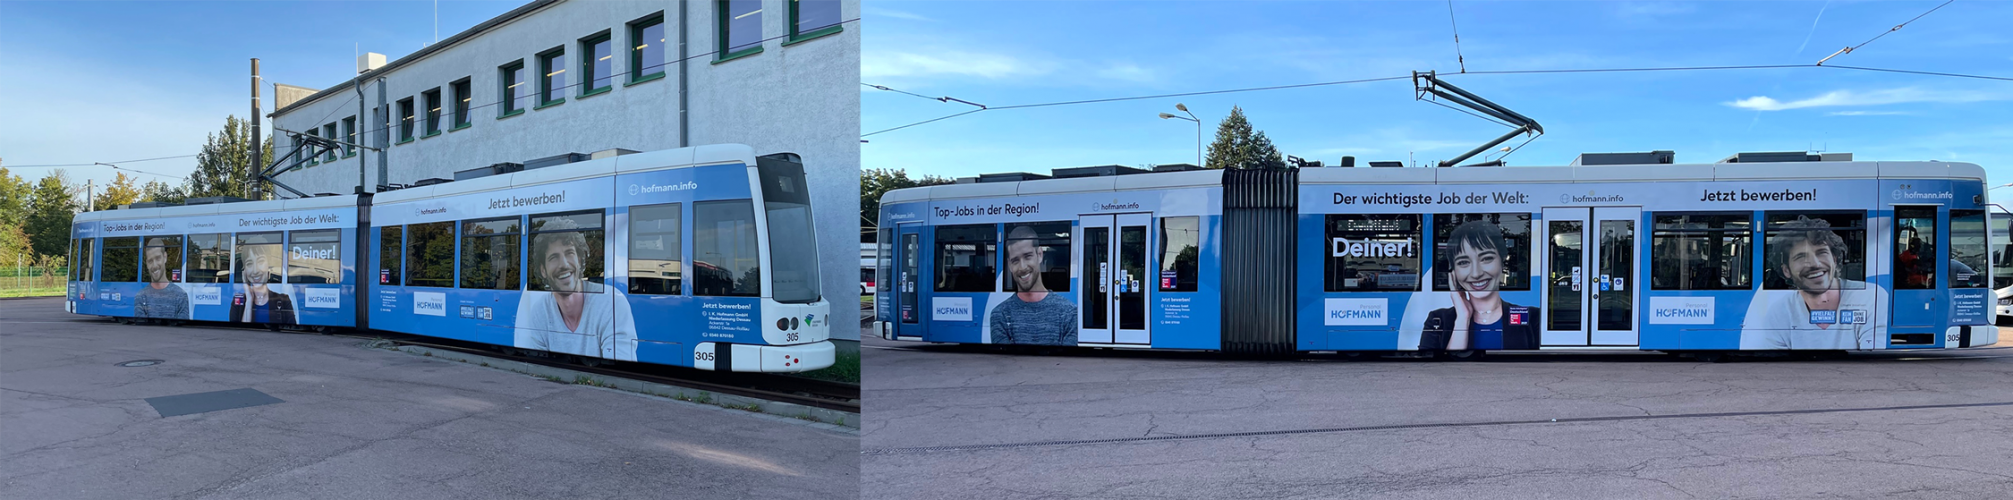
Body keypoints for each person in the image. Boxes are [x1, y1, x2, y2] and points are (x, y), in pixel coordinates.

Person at [1740, 216, 1884, 350]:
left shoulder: (1871, 296)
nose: (1815, 264)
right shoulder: (1778, 312)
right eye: (1801, 257)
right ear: (1786, 271)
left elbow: (1875, 349)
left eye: (1821, 252)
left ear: (1834, 259)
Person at [514, 220, 637, 361]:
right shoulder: (539, 311)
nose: (564, 264)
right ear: (543, 270)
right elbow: (540, 367)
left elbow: (620, 368)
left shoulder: (612, 302)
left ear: (579, 259)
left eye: (569, 253)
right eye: (554, 257)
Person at [1420, 220, 1540, 350]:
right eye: (1463, 262)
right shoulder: (1438, 319)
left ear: (1503, 261)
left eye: (1486, 259)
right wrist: (1462, 319)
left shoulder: (1532, 317)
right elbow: (1442, 367)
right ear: (1453, 271)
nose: (1476, 273)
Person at [988, 225, 1078, 345]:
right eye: (1015, 261)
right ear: (1009, 265)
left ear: (1039, 254)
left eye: (1027, 256)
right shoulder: (999, 315)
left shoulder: (1070, 313)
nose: (1023, 267)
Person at [229, 246, 296, 324]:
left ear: (269, 266)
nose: (255, 271)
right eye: (249, 264)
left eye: (260, 261)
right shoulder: (237, 301)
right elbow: (239, 333)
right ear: (245, 271)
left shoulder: (284, 300)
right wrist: (249, 300)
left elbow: (291, 327)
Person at [133, 238, 191, 320]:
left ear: (165, 257)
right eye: (150, 261)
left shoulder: (181, 296)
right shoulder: (140, 297)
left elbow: (182, 327)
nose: (155, 265)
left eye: (158, 258)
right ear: (147, 264)